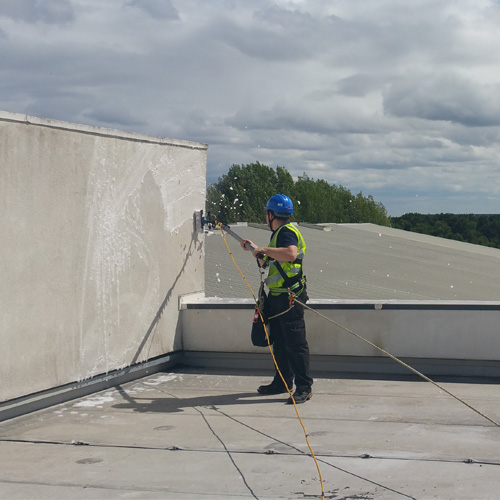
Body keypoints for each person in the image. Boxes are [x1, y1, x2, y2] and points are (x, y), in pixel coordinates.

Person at [241, 194, 313, 404]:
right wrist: (256, 249)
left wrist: (263, 249)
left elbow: (290, 254)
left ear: (271, 214)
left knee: (295, 344)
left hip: (289, 298)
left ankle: (304, 387)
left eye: (267, 213)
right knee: (280, 343)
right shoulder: (279, 234)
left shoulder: (286, 232)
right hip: (278, 297)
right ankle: (282, 382)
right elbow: (275, 261)